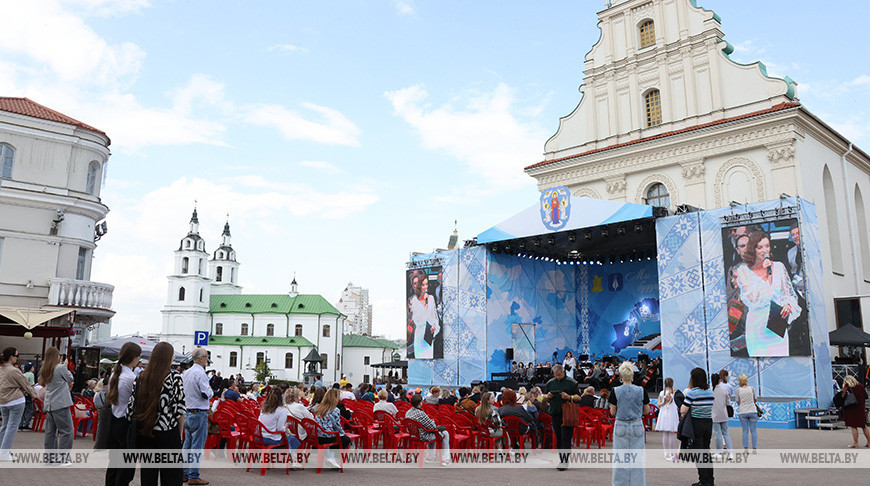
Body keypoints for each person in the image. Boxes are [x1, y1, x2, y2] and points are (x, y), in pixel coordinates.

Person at [126, 342, 186, 486]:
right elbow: (180, 408)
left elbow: (131, 408)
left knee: (148, 475)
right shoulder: (174, 378)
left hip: (145, 431)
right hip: (167, 432)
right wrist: (180, 431)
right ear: (169, 358)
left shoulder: (141, 377)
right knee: (171, 476)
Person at [732, 231, 800, 356]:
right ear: (752, 249)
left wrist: (788, 305)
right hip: (757, 325)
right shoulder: (743, 271)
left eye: (767, 246)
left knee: (780, 364)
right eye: (760, 247)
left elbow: (788, 294)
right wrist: (767, 276)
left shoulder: (779, 267)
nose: (765, 250)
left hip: (776, 324)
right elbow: (752, 299)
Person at [105, 342, 142, 486]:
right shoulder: (130, 378)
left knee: (114, 462)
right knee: (125, 465)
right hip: (125, 423)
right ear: (134, 358)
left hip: (114, 419)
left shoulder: (116, 373)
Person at [610, 361, 649, 486]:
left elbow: (612, 411)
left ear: (621, 376)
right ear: (632, 375)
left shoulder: (615, 390)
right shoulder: (641, 390)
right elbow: (647, 410)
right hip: (637, 424)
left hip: (621, 424)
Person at [182, 347, 214, 485]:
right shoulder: (200, 373)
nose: (207, 359)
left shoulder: (187, 372)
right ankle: (193, 475)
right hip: (199, 412)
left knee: (187, 445)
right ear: (201, 358)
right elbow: (206, 393)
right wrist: (211, 391)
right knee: (197, 446)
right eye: (206, 357)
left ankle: (184, 473)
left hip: (188, 411)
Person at [39, 347, 74, 465]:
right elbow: (70, 378)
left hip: (49, 404)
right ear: (57, 357)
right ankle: (62, 458)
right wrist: (65, 365)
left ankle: (49, 458)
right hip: (60, 403)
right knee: (67, 431)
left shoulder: (44, 369)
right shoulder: (60, 368)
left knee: (50, 432)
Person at [681, 367, 715, 486]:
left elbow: (683, 410)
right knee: (706, 450)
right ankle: (710, 480)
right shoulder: (710, 391)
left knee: (698, 452)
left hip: (696, 424)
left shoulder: (692, 392)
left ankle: (703, 480)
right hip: (708, 423)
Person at [0, 347, 35, 461]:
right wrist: (34, 396)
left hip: (3, 402)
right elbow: (26, 384)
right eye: (16, 356)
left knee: (5, 426)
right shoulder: (14, 370)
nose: (17, 358)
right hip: (16, 401)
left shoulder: (1, 369)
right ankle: (4, 454)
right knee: (12, 427)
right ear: (11, 357)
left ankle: (2, 451)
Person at [545, 364, 580, 470]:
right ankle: (562, 459)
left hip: (568, 414)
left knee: (566, 438)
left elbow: (579, 397)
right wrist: (548, 396)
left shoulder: (572, 383)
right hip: (555, 414)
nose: (558, 377)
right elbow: (545, 397)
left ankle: (564, 462)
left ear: (563, 372)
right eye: (556, 376)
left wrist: (569, 397)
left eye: (559, 375)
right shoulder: (550, 383)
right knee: (559, 438)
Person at [405, 393, 450, 465]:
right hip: (423, 436)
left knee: (433, 433)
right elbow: (432, 427)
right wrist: (433, 422)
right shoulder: (421, 413)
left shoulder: (408, 412)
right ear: (420, 403)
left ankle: (430, 457)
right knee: (445, 434)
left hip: (413, 435)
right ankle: (445, 459)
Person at [408, 270, 439, 359]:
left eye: (426, 284)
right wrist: (425, 305)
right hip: (419, 335)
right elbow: (416, 319)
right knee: (419, 360)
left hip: (428, 336)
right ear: (419, 286)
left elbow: (434, 316)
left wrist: (434, 326)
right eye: (423, 285)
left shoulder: (431, 298)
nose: (425, 287)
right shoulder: (414, 300)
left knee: (429, 359)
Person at [833, 375, 870, 448]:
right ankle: (869, 442)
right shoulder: (861, 386)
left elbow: (842, 396)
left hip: (851, 409)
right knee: (864, 426)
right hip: (861, 409)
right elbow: (866, 396)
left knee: (854, 426)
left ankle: (856, 443)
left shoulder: (846, 387)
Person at [313, 388, 351, 453]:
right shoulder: (334, 410)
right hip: (328, 437)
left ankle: (329, 455)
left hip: (317, 436)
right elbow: (337, 426)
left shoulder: (319, 407)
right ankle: (334, 457)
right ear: (335, 397)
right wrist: (343, 433)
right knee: (346, 440)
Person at [656, 377, 680, 461]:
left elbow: (659, 404)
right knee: (671, 433)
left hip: (664, 412)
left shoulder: (662, 393)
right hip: (672, 413)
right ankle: (671, 452)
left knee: (665, 434)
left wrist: (664, 402)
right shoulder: (674, 391)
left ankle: (666, 452)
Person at [734, 374, 758, 452]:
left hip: (743, 411)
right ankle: (754, 448)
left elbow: (738, 402)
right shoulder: (752, 388)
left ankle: (746, 448)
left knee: (745, 430)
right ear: (746, 380)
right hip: (752, 410)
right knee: (753, 430)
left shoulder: (738, 390)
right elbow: (755, 399)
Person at [711, 372, 734, 455]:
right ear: (719, 380)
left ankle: (719, 452)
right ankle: (730, 452)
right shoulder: (724, 389)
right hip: (724, 414)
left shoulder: (710, 390)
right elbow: (728, 402)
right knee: (726, 433)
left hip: (714, 415)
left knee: (717, 434)